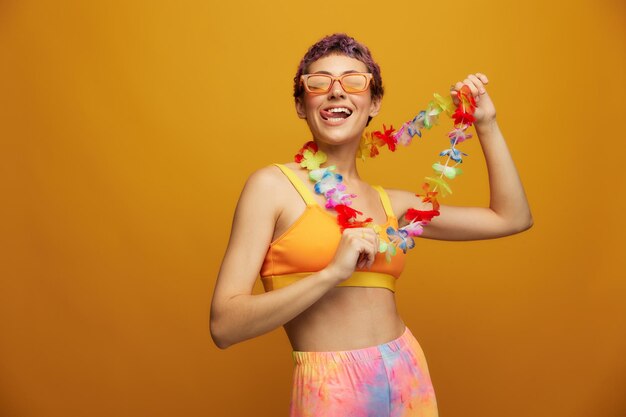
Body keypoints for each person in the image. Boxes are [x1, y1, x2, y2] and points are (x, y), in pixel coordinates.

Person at [209, 33, 532, 417]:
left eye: (353, 81)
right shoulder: (272, 187)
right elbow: (224, 326)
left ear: (373, 102)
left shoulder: (391, 204)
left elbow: (512, 218)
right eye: (319, 82)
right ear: (301, 103)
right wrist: (331, 274)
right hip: (331, 388)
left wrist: (487, 124)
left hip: (409, 378)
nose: (336, 92)